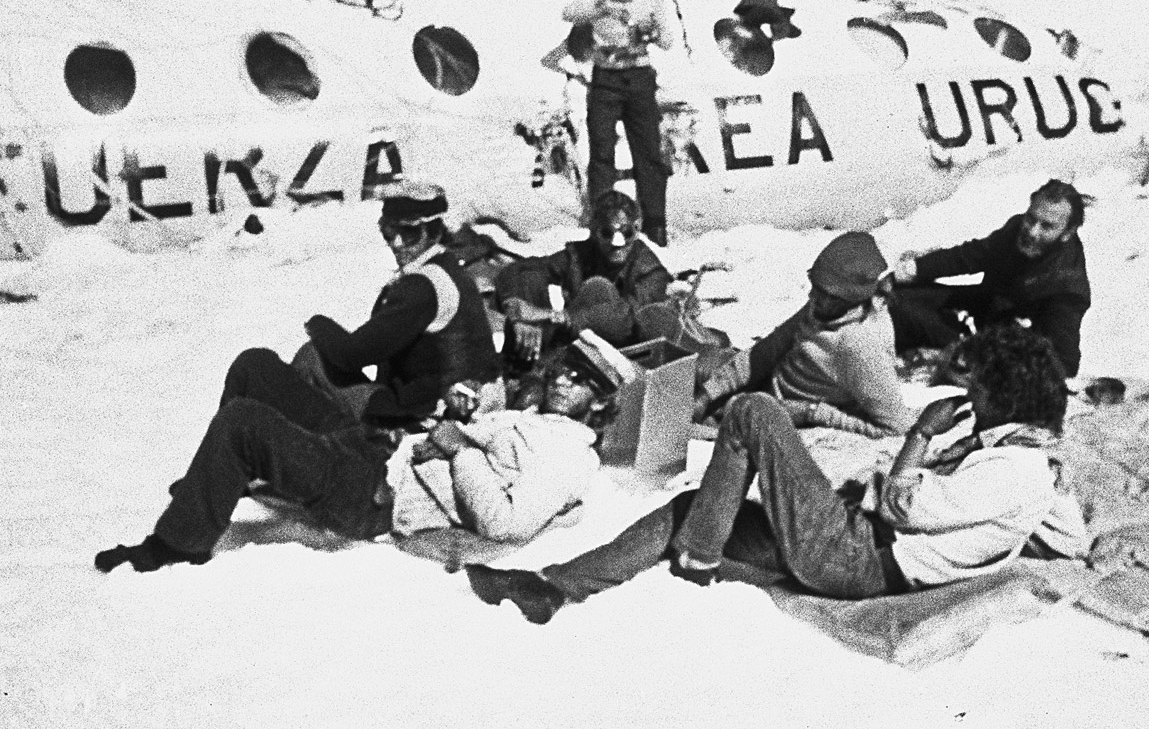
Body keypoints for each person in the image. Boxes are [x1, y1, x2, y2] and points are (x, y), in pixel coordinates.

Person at [464, 325, 1088, 624]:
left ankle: (703, 555)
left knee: (754, 412)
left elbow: (904, 509)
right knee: (688, 511)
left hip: (861, 556)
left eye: (981, 387)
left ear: (1009, 397)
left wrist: (922, 435)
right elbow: (1054, 526)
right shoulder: (1020, 459)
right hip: (850, 547)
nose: (971, 395)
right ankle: (553, 587)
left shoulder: (1022, 469)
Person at [94, 182, 504, 573]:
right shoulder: (444, 272)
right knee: (253, 365)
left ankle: (178, 543)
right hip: (378, 440)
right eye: (388, 232)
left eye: (408, 234)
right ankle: (225, 480)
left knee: (242, 422)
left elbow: (354, 351)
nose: (396, 244)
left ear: (435, 230)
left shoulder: (424, 287)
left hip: (375, 482)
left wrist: (320, 325)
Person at [693, 231, 915, 439]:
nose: (813, 297)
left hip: (779, 411)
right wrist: (708, 393)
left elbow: (896, 428)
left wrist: (816, 413)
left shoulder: (859, 345)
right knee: (694, 366)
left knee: (681, 430)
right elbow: (768, 351)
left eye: (828, 294)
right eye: (815, 286)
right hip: (769, 382)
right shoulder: (826, 306)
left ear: (854, 298)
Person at [392, 348, 618, 543]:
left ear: (600, 402)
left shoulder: (567, 454)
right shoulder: (530, 419)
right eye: (557, 372)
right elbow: (462, 436)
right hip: (396, 466)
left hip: (398, 499)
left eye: (577, 379)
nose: (560, 382)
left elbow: (504, 525)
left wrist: (462, 450)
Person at [887, 179, 1091, 377]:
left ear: (1067, 233)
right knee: (897, 292)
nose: (1032, 231)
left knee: (902, 311)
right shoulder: (1018, 229)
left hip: (992, 346)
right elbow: (972, 256)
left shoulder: (1066, 291)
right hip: (984, 307)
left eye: (1046, 226)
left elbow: (1065, 364)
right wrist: (914, 269)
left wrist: (992, 359)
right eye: (1031, 218)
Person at [562, 0, 677, 246]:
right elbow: (569, 12)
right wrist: (600, 8)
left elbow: (668, 40)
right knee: (601, 152)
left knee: (649, 153)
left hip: (638, 75)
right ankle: (602, 221)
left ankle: (656, 223)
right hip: (606, 76)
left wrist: (649, 31)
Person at [495, 190, 673, 367]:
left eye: (626, 233)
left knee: (598, 287)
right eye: (607, 233)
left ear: (637, 228)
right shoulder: (581, 255)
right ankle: (523, 366)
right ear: (594, 231)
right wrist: (519, 315)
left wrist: (558, 317)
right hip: (581, 346)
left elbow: (625, 321)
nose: (617, 243)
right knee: (530, 279)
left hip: (626, 359)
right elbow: (519, 270)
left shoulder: (650, 271)